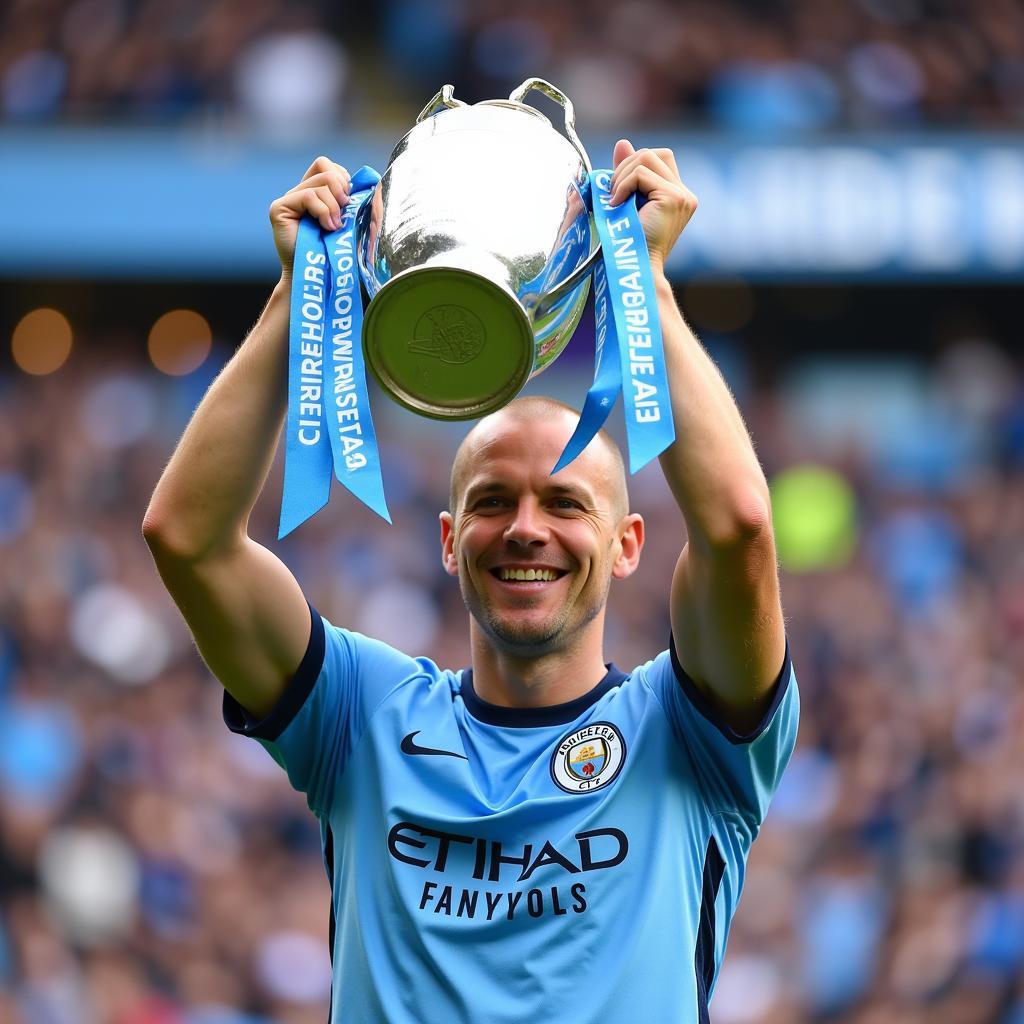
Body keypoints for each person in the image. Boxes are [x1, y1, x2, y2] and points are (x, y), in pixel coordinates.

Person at [143, 141, 798, 1023]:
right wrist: (296, 296)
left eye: (566, 502)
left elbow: (739, 529)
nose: (526, 527)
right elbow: (188, 539)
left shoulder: (690, 732)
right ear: (451, 542)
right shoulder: (363, 715)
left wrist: (645, 287)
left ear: (628, 542)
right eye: (494, 502)